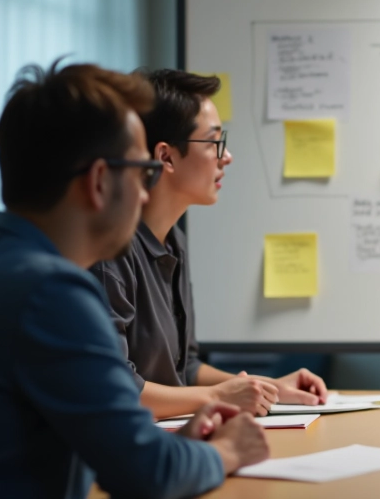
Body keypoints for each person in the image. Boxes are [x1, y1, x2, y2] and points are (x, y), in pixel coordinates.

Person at [0, 61, 269, 498]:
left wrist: (177, 449)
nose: (147, 193)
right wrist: (228, 451)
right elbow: (145, 474)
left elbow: (106, 448)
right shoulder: (50, 292)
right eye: (140, 173)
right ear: (99, 181)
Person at [90, 70, 327, 420]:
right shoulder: (111, 253)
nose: (226, 156)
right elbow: (115, 386)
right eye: (214, 142)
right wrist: (218, 396)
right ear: (166, 157)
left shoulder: (175, 241)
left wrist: (268, 387)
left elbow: (185, 368)